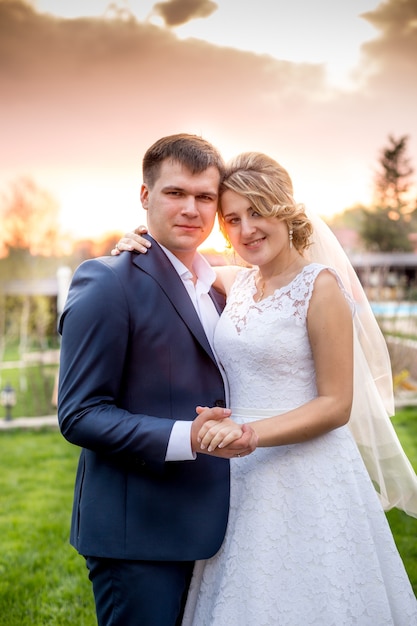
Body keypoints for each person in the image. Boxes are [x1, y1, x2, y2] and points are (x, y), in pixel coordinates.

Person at [115, 151, 417, 624]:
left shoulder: (321, 287)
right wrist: (140, 243)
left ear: (285, 210)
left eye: (257, 211)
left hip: (308, 467)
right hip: (237, 475)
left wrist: (252, 434)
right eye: (232, 218)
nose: (246, 229)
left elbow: (337, 404)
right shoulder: (234, 282)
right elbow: (173, 272)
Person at [57, 133, 258, 626]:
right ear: (145, 196)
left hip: (218, 526)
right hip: (138, 536)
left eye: (204, 197)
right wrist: (188, 436)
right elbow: (80, 413)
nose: (191, 208)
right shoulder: (106, 281)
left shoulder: (216, 288)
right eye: (175, 193)